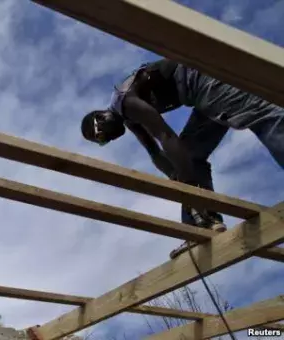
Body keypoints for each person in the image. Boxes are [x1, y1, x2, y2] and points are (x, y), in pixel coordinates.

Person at [80, 58, 284, 259]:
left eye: (101, 137)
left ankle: (197, 206)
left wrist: (188, 187)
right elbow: (155, 152)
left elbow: (165, 136)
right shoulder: (129, 118)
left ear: (100, 118)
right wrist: (176, 178)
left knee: (263, 115)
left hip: (203, 77)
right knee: (190, 155)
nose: (108, 140)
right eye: (102, 143)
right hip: (198, 92)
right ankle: (201, 225)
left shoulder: (124, 102)